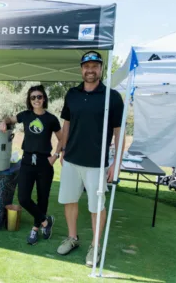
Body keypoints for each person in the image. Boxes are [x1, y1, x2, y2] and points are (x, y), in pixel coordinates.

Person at [56, 51, 125, 267]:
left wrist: (116, 163)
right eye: (87, 66)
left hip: (97, 163)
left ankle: (95, 245)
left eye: (95, 66)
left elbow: (118, 131)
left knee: (96, 206)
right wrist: (62, 149)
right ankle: (73, 238)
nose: (90, 70)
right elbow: (66, 123)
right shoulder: (72, 94)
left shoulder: (112, 97)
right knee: (69, 200)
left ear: (101, 69)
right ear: (81, 69)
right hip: (71, 160)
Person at [0, 85, 62, 245]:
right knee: (23, 198)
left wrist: (55, 156)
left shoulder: (51, 119)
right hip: (27, 161)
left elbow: (62, 139)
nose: (36, 100)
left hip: (44, 162)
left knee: (43, 198)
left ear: (44, 98)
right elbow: (10, 119)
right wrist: (3, 122)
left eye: (39, 97)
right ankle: (45, 222)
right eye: (33, 97)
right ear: (29, 100)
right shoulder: (25, 115)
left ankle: (35, 229)